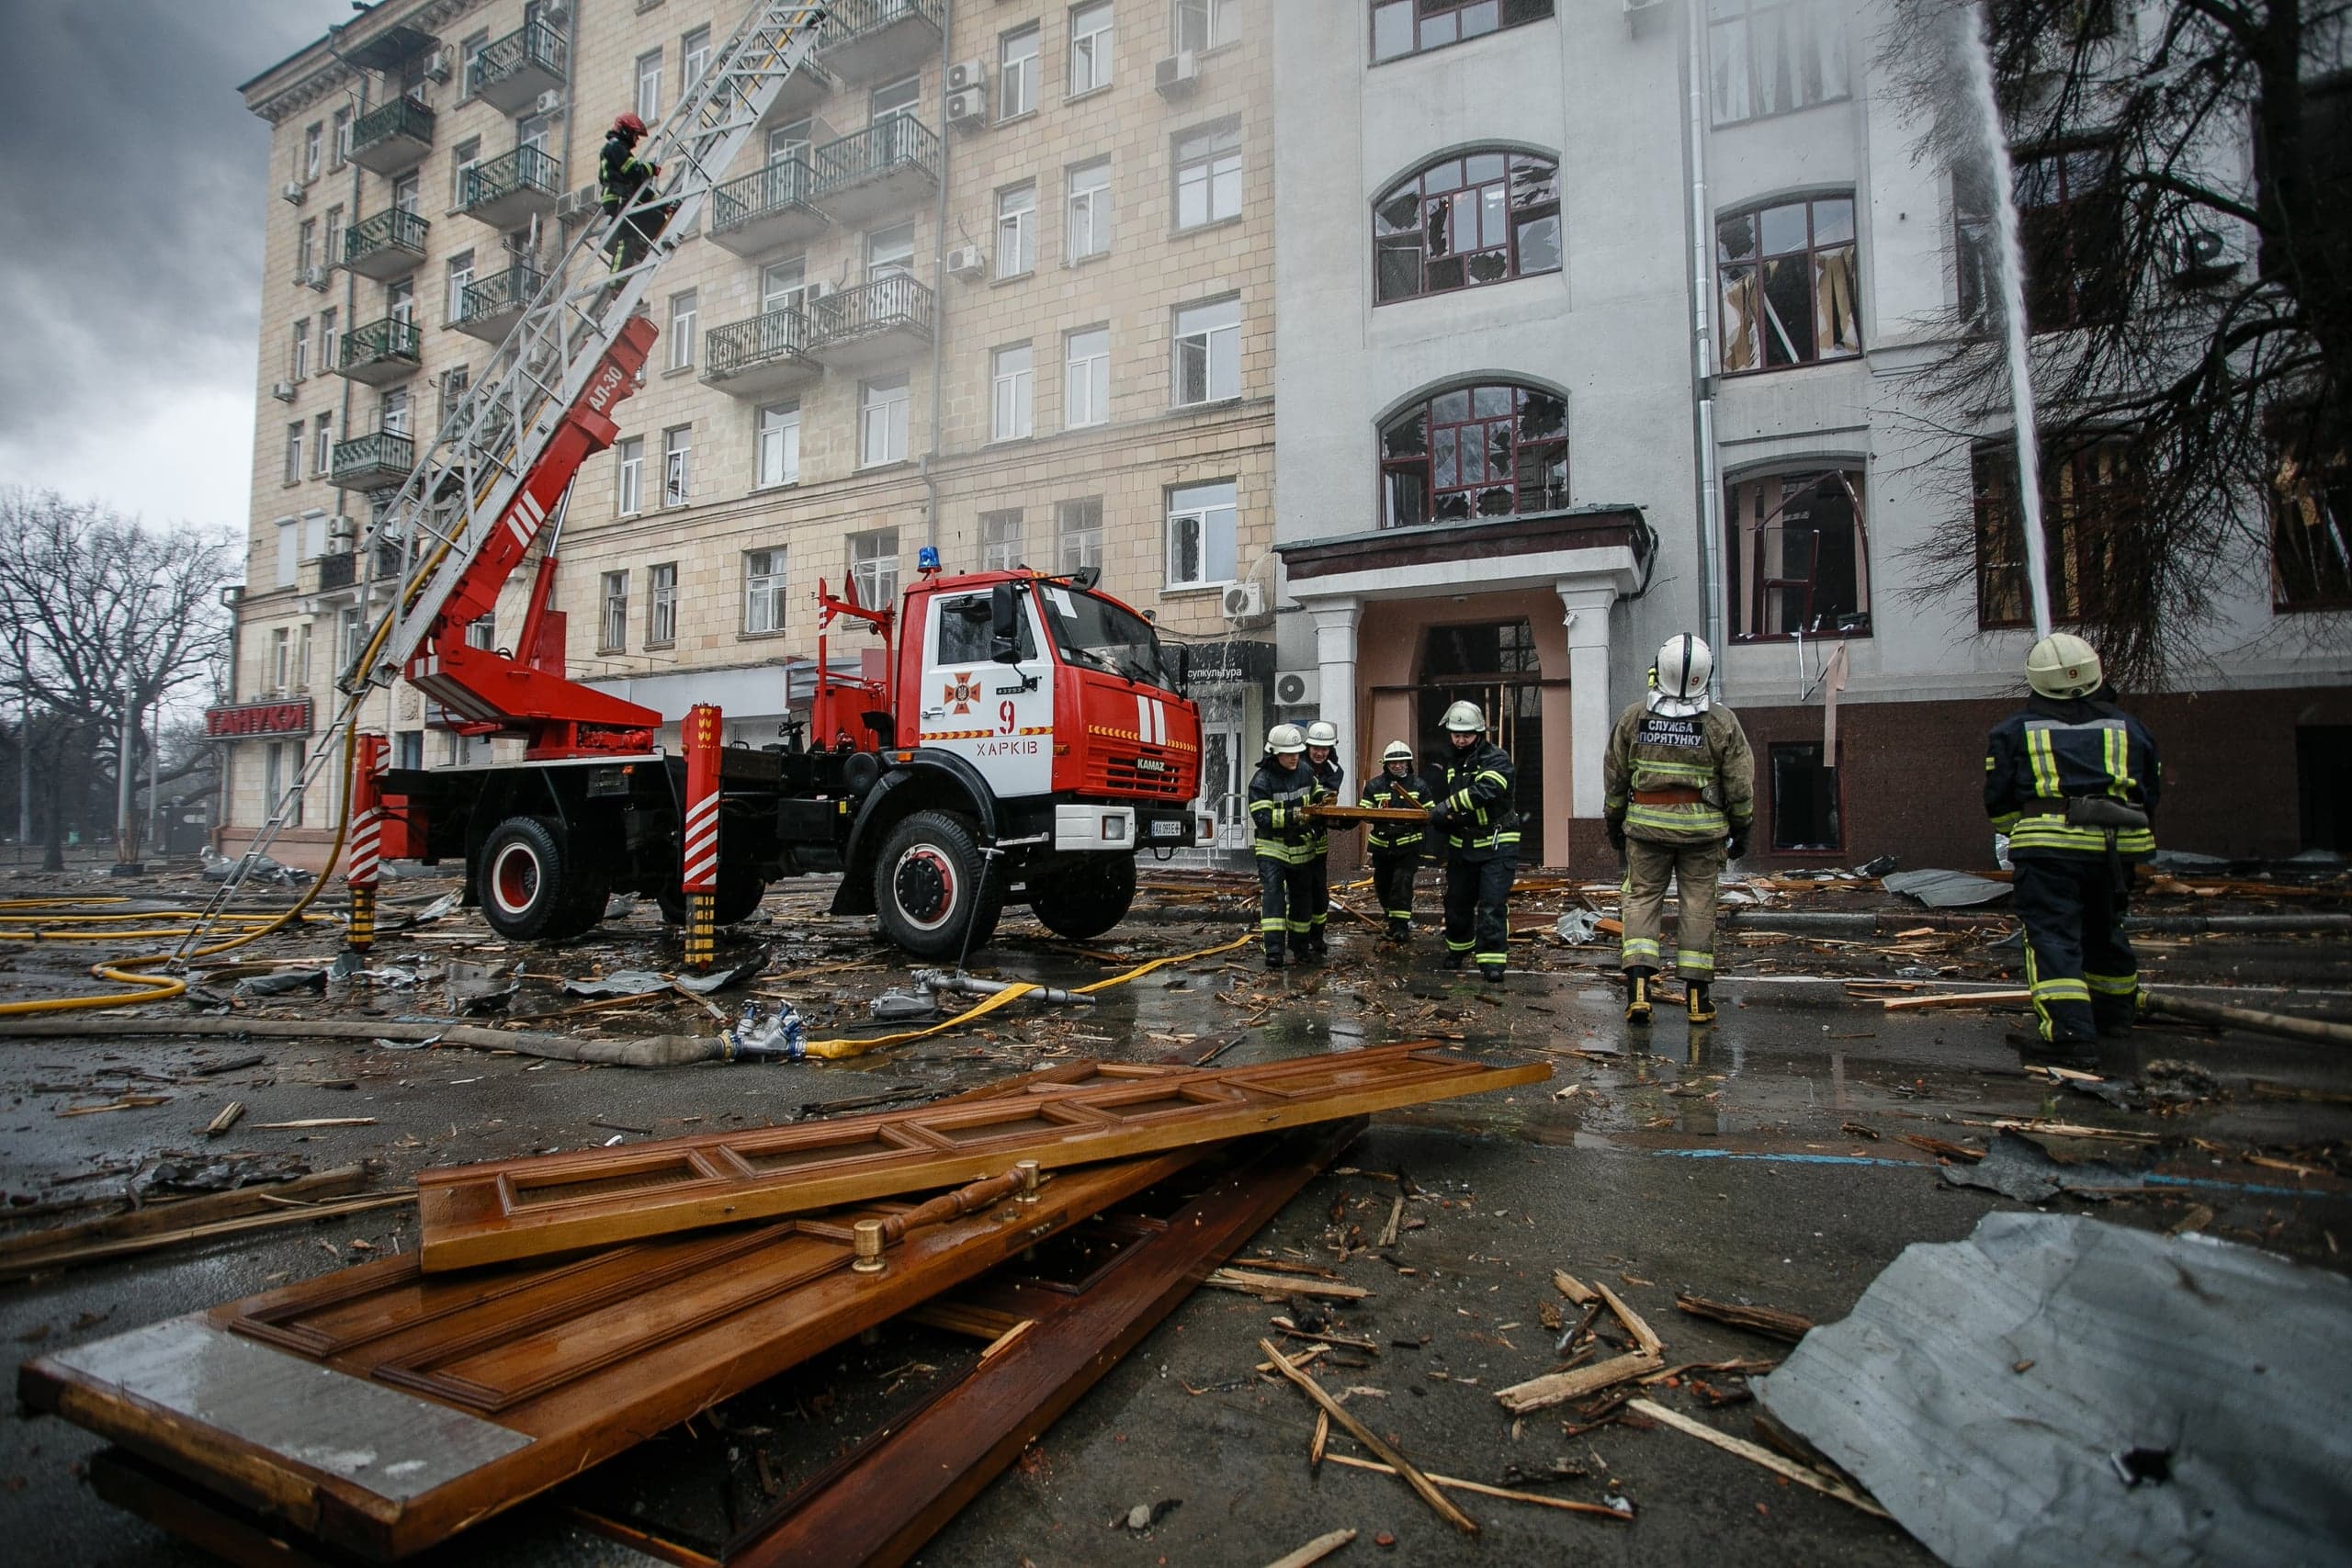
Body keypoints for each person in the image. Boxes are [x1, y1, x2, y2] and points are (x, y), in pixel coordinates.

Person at [1984, 633, 2160, 1059]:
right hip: (2114, 853)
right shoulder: (2130, 729)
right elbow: (2148, 793)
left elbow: (1999, 798)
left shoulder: (2014, 731)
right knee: (2105, 930)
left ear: (2035, 680)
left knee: (2053, 937)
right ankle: (2114, 1017)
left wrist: (2020, 831)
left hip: (2048, 854)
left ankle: (2070, 1036)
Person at [1603, 634, 1754, 1026]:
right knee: (1698, 906)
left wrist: (1614, 821)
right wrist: (1744, 827)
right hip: (1704, 835)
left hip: (1646, 831)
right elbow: (1739, 783)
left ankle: (1638, 989)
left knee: (1640, 902)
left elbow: (1616, 776)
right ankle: (1697, 999)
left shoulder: (1634, 717)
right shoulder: (1721, 722)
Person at [1428, 702, 1518, 983]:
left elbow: (1485, 790)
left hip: (1496, 842)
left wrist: (1448, 805)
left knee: (1492, 903)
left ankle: (1492, 962)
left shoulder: (1496, 758)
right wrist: (1440, 817)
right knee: (1456, 902)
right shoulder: (1453, 761)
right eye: (1456, 734)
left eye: (1466, 734)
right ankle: (1459, 948)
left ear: (1478, 732)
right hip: (1463, 844)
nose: (1460, 739)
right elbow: (1443, 798)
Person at [1246, 725, 1322, 969]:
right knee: (1274, 899)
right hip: (1272, 849)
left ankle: (1300, 948)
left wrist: (1325, 806)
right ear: (1275, 753)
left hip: (1302, 848)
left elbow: (1318, 796)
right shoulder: (1261, 781)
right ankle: (1274, 952)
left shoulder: (1306, 772)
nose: (1295, 757)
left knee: (1302, 900)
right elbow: (1264, 819)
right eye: (1289, 753)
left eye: (1297, 752)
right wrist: (1296, 815)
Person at [1362, 739, 1431, 943]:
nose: (1398, 766)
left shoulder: (1419, 785)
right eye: (1393, 763)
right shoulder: (1374, 785)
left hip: (1409, 844)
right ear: (1386, 764)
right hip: (1382, 845)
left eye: (1402, 762)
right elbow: (1365, 811)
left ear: (1408, 764)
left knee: (1402, 883)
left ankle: (1400, 927)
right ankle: (1392, 917)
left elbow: (1430, 812)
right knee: (1382, 884)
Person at [599, 113, 665, 273]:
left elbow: (635, 185)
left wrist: (662, 204)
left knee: (656, 218)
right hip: (618, 197)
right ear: (626, 132)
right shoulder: (615, 147)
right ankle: (618, 284)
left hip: (622, 194)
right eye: (635, 135)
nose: (636, 140)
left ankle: (640, 245)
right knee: (626, 239)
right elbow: (633, 172)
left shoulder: (617, 148)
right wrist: (651, 168)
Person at [1301, 719, 1344, 956]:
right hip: (1295, 837)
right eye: (1315, 748)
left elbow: (1327, 800)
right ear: (1307, 747)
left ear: (1331, 749)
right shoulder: (1296, 765)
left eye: (1324, 749)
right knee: (1300, 891)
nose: (1319, 753)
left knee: (1320, 893)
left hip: (1318, 840)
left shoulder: (1335, 771)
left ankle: (1317, 937)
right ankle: (1299, 938)